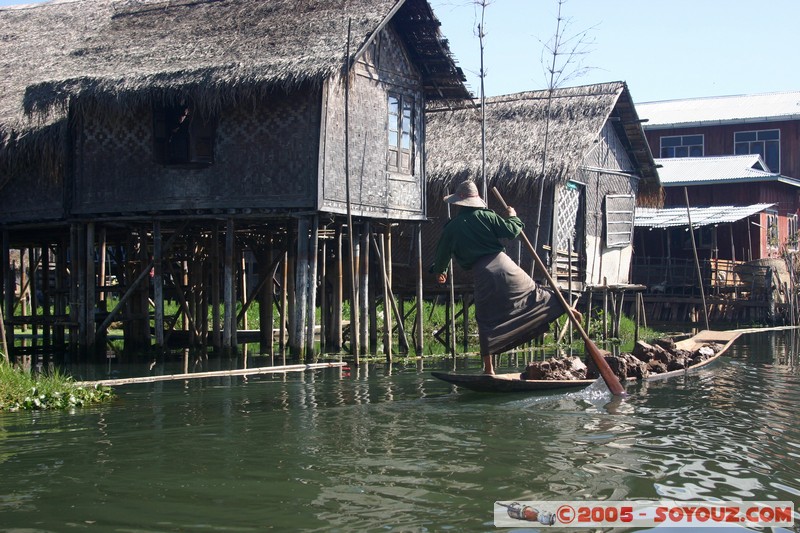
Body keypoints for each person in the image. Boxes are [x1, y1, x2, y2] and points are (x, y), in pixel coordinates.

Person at [429, 180, 579, 375]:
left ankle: (489, 370)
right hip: (507, 266)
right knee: (536, 294)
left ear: (458, 203)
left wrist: (441, 271)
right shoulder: (487, 216)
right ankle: (567, 309)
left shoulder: (452, 227)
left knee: (486, 319)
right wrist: (513, 217)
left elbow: (442, 254)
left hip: (484, 273)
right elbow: (511, 231)